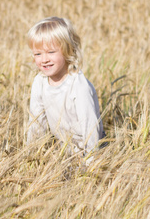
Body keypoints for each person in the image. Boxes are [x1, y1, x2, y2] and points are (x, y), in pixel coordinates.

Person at [26, 17, 105, 161]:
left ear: (67, 50)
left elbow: (90, 127)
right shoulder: (39, 82)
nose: (44, 59)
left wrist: (91, 164)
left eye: (51, 52)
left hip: (89, 151)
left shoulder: (78, 85)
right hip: (63, 152)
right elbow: (36, 123)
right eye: (38, 54)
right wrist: (31, 157)